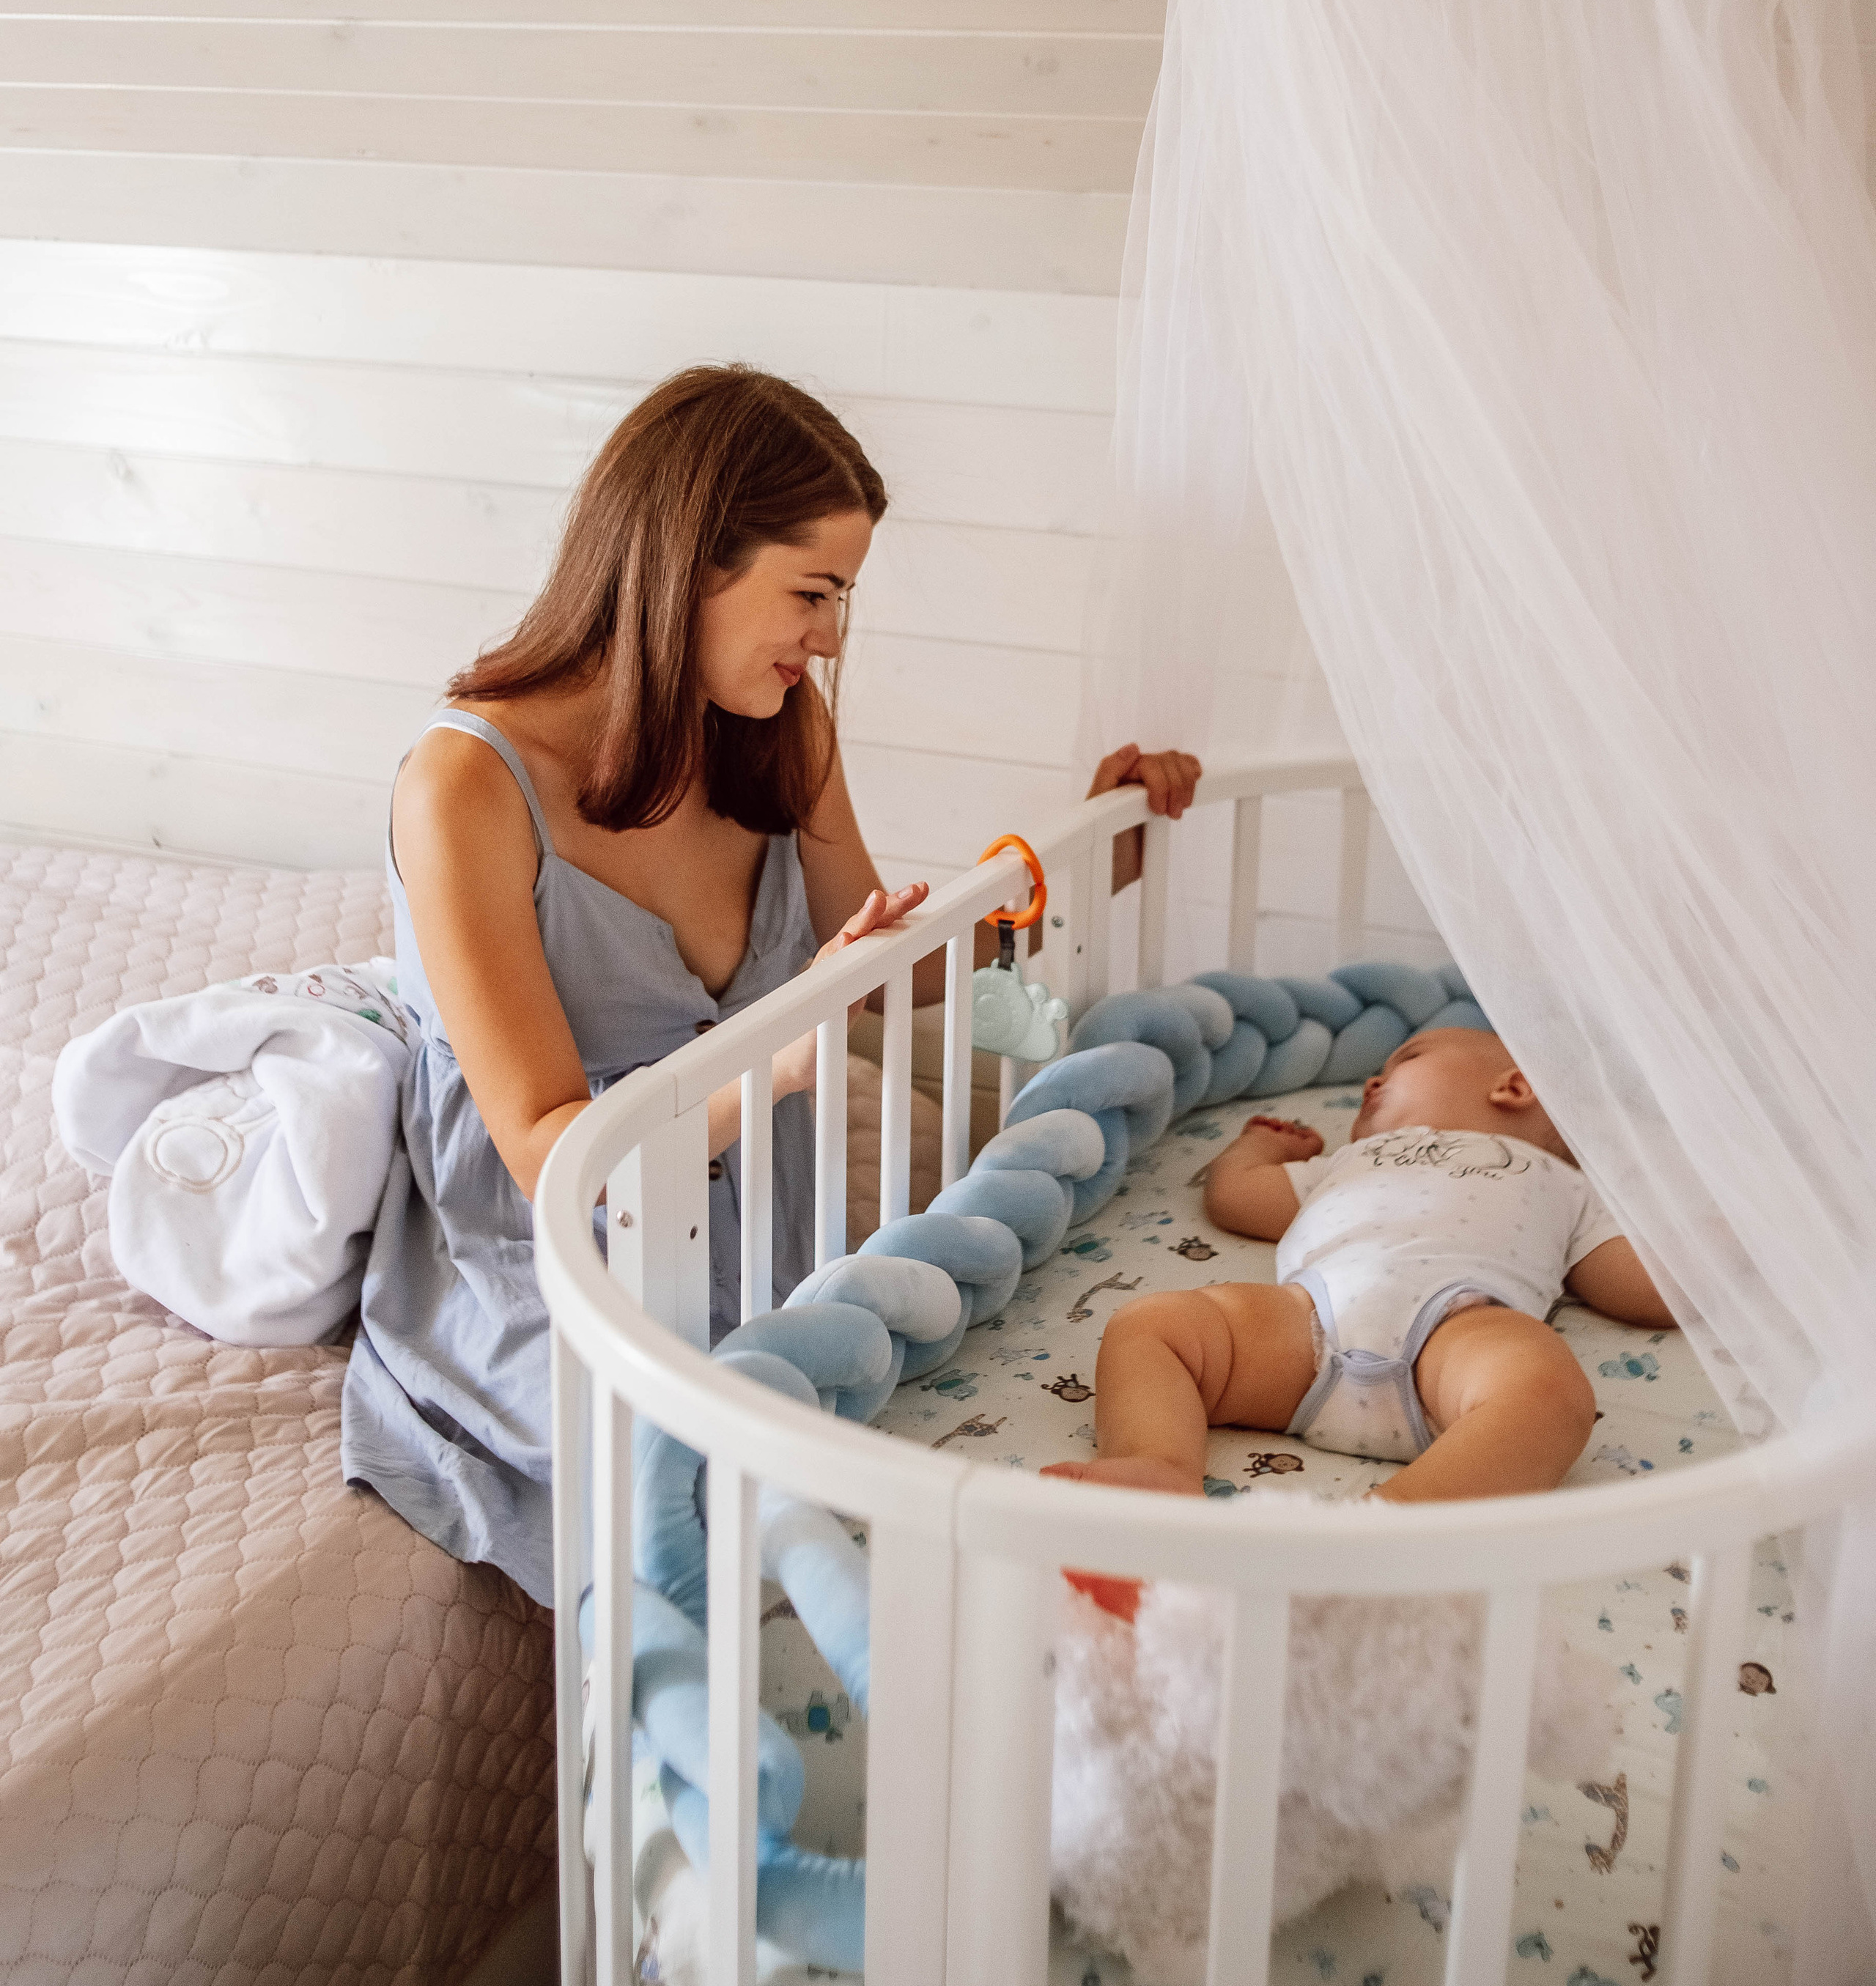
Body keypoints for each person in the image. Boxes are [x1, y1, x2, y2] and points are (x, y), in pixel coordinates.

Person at [341, 363, 1200, 1602]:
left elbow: (886, 966)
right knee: (692, 1525)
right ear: (688, 564)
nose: (832, 636)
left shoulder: (778, 727)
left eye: (841, 596)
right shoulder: (466, 786)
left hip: (762, 1211)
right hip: (568, 1253)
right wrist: (784, 1059)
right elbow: (545, 1153)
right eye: (813, 593)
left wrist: (1079, 862)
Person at [1042, 1025, 1675, 1506]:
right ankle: (1157, 1464)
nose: (1371, 1082)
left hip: (1456, 1333)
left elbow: (1642, 1289)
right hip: (1305, 1327)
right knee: (1152, 1325)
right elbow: (1237, 1198)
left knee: (1549, 1395)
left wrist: (1730, 1246)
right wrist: (1255, 1146)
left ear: (1512, 1086)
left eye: (1406, 1060)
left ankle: (1397, 1522)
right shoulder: (1347, 1163)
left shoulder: (1562, 1183)